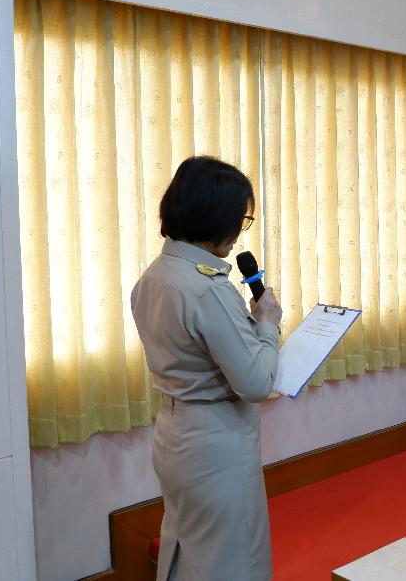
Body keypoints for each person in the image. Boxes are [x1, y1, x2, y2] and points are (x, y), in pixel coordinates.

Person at [131, 156, 283, 581]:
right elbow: (256, 382)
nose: (238, 231)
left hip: (174, 432)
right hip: (216, 442)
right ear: (216, 216)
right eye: (240, 219)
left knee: (186, 549)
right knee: (233, 560)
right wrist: (267, 324)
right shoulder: (207, 289)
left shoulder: (154, 276)